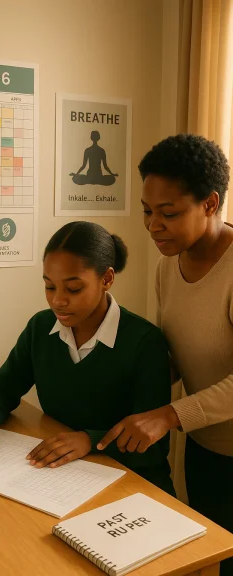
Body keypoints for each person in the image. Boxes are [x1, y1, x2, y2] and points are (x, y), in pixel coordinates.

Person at [97, 134, 233, 575]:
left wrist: (169, 416)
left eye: (168, 213)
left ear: (210, 204)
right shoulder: (166, 265)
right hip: (205, 445)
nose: (153, 225)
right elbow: (173, 355)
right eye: (147, 211)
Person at [0, 221, 175, 495]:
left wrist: (90, 440)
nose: (58, 301)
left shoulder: (145, 343)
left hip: (134, 484)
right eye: (50, 287)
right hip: (63, 478)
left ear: (107, 279)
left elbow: (153, 445)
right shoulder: (40, 328)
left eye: (73, 289)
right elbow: (2, 387)